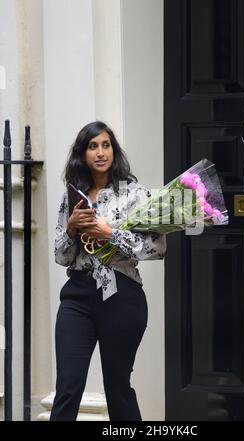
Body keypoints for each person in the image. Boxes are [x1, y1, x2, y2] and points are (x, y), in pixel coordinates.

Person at [50, 121, 167, 421]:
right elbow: (61, 257)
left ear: (113, 151)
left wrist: (108, 234)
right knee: (68, 387)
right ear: (83, 154)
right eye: (93, 146)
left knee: (117, 388)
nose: (100, 153)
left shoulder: (134, 193)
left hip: (122, 296)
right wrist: (72, 229)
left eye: (106, 145)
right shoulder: (72, 196)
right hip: (77, 296)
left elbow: (156, 247)